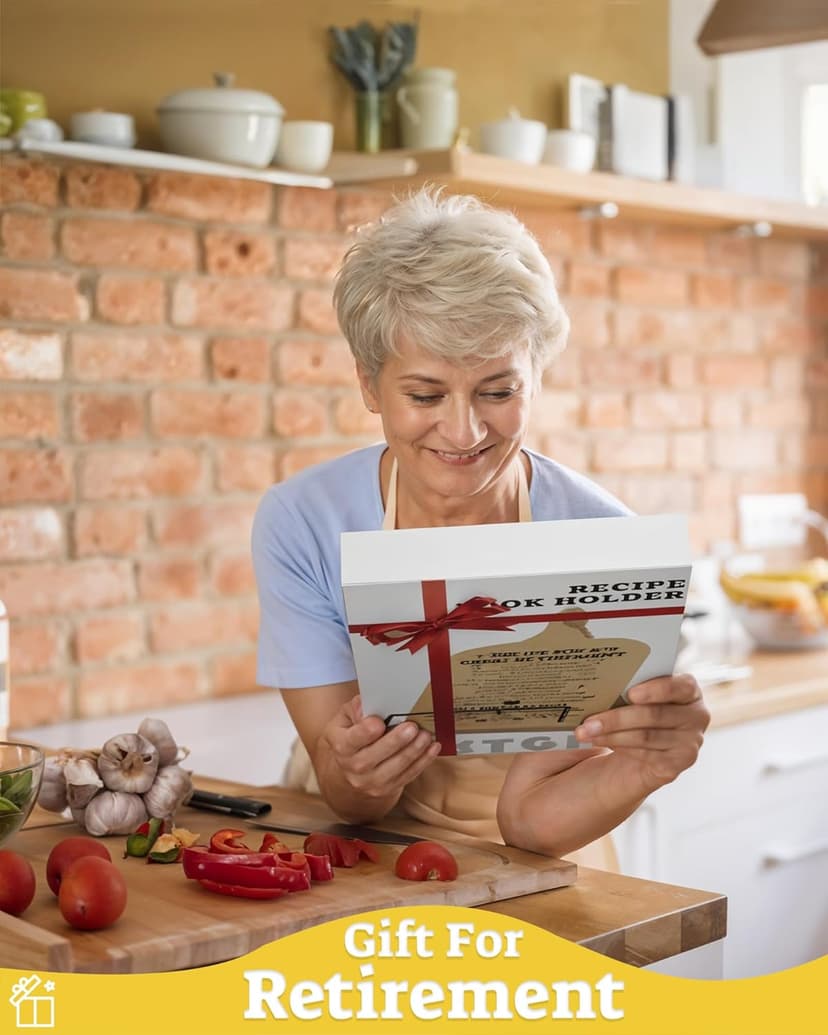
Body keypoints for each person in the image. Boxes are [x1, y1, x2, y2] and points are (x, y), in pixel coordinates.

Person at [252, 188, 709, 861]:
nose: (464, 430)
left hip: (539, 860)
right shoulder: (304, 522)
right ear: (371, 386)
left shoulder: (601, 538)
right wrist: (355, 769)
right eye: (425, 394)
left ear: (536, 377)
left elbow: (531, 821)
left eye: (498, 391)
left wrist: (651, 761)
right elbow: (349, 796)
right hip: (359, 849)